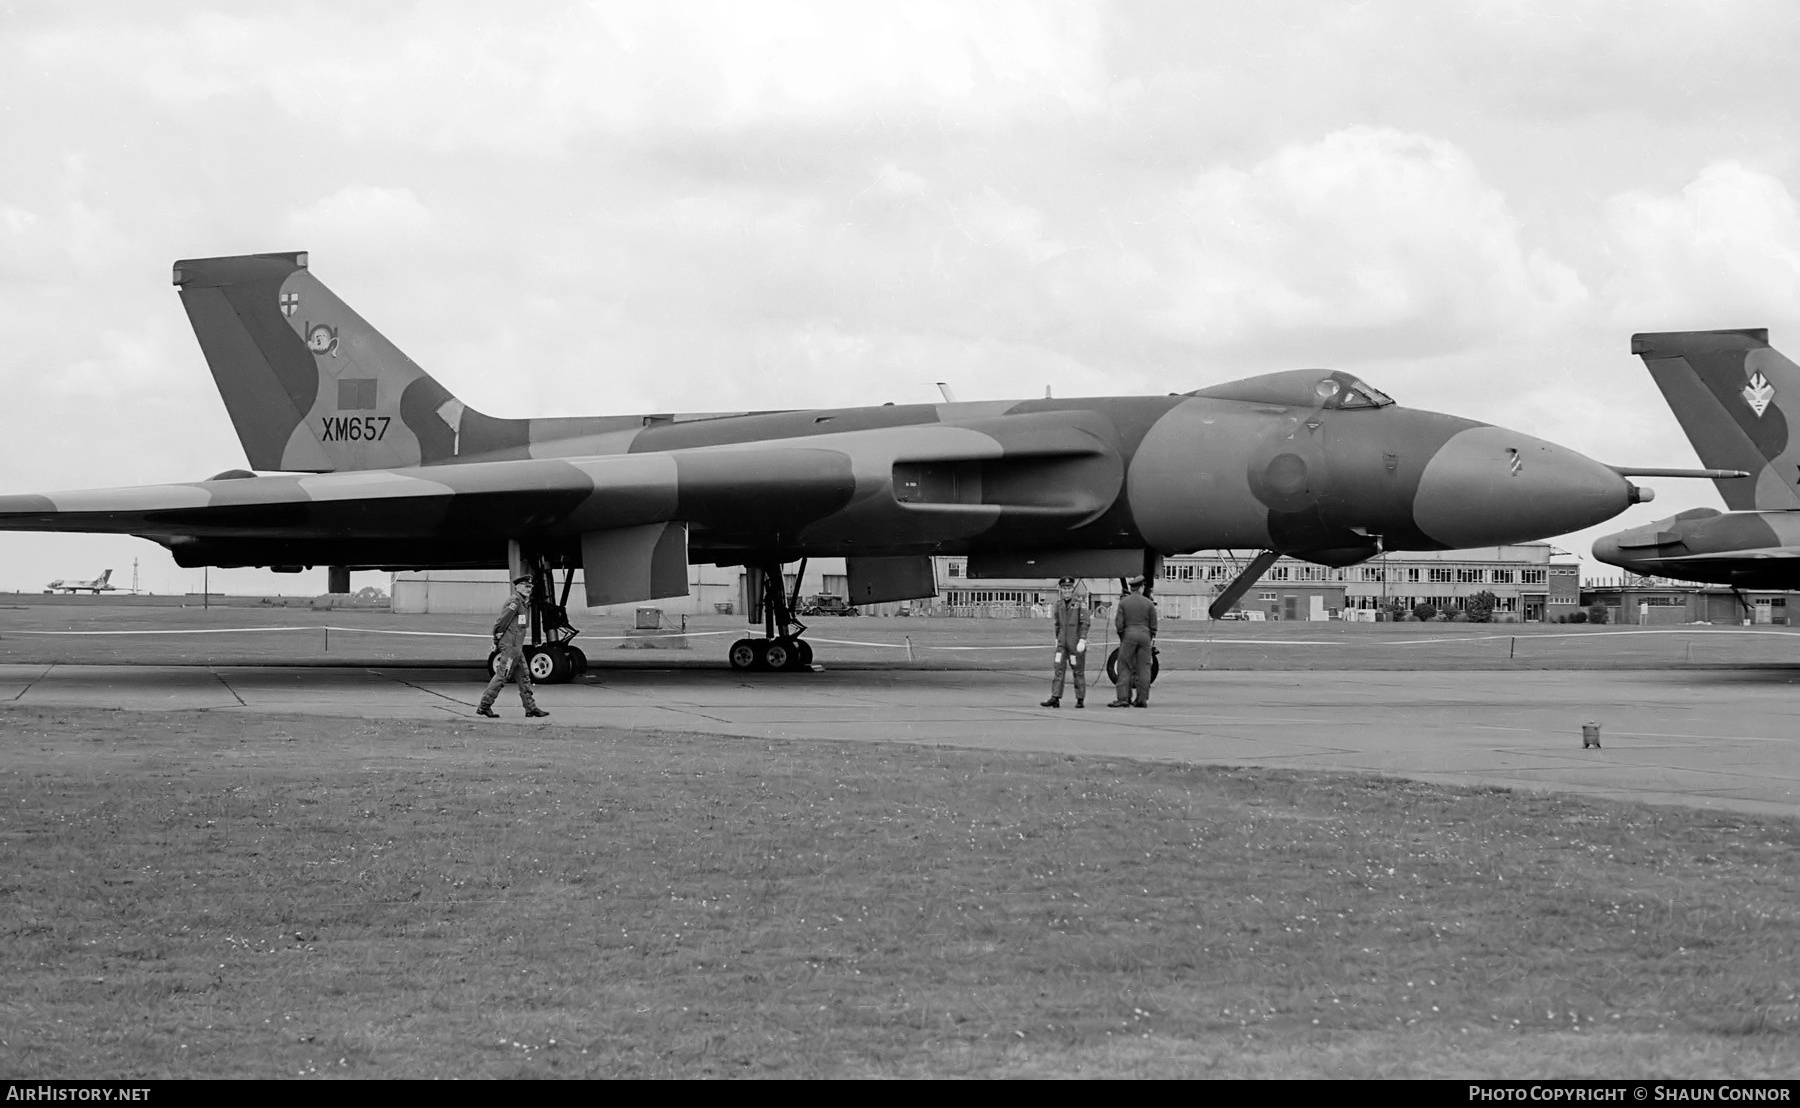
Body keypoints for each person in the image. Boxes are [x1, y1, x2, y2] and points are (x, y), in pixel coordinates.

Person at [478, 575, 549, 719]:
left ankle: (531, 708)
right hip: (510, 647)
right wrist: (496, 638)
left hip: (516, 647)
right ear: (517, 587)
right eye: (525, 586)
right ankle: (484, 706)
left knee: (524, 677)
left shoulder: (523, 603)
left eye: (530, 587)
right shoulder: (515, 602)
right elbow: (502, 621)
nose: (528, 589)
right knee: (502, 676)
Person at [1108, 575, 1157, 708]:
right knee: (1144, 668)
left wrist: (1123, 636)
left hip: (1128, 635)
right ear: (1141, 587)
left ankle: (1124, 698)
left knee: (1124, 666)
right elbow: (1154, 625)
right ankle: (1142, 699)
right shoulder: (1149, 604)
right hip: (1145, 636)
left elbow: (1119, 624)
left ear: (1131, 588)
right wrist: (1149, 637)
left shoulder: (1124, 603)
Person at [1040, 576, 1090, 708]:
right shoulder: (1058, 605)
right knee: (1058, 669)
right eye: (1064, 588)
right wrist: (1057, 638)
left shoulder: (1080, 604)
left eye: (1069, 588)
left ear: (1072, 589)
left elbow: (1085, 623)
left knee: (1078, 671)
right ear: (1061, 589)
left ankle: (1080, 698)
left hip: (1075, 644)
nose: (1066, 591)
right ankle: (1055, 697)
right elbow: (1057, 624)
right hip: (1062, 644)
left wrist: (1082, 639)